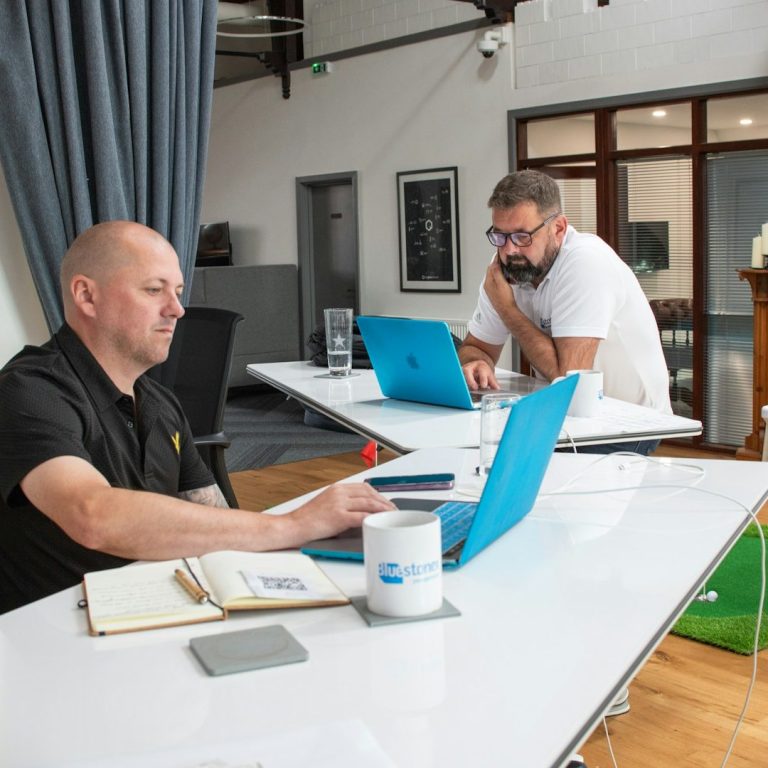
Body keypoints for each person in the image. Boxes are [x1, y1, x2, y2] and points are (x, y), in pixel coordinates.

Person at [0, 221, 394, 614]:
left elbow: (216, 519)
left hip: (159, 606)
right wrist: (293, 525)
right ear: (87, 295)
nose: (177, 309)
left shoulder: (161, 403)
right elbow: (92, 514)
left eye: (177, 292)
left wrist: (316, 542)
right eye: (153, 290)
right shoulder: (28, 391)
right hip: (56, 632)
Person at [460, 169, 671, 455]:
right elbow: (476, 347)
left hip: (630, 420)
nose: (509, 250)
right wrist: (476, 364)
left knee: (517, 460)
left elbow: (568, 378)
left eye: (522, 236)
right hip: (569, 412)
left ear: (558, 228)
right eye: (500, 236)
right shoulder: (512, 265)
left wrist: (507, 309)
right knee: (481, 448)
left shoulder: (586, 262)